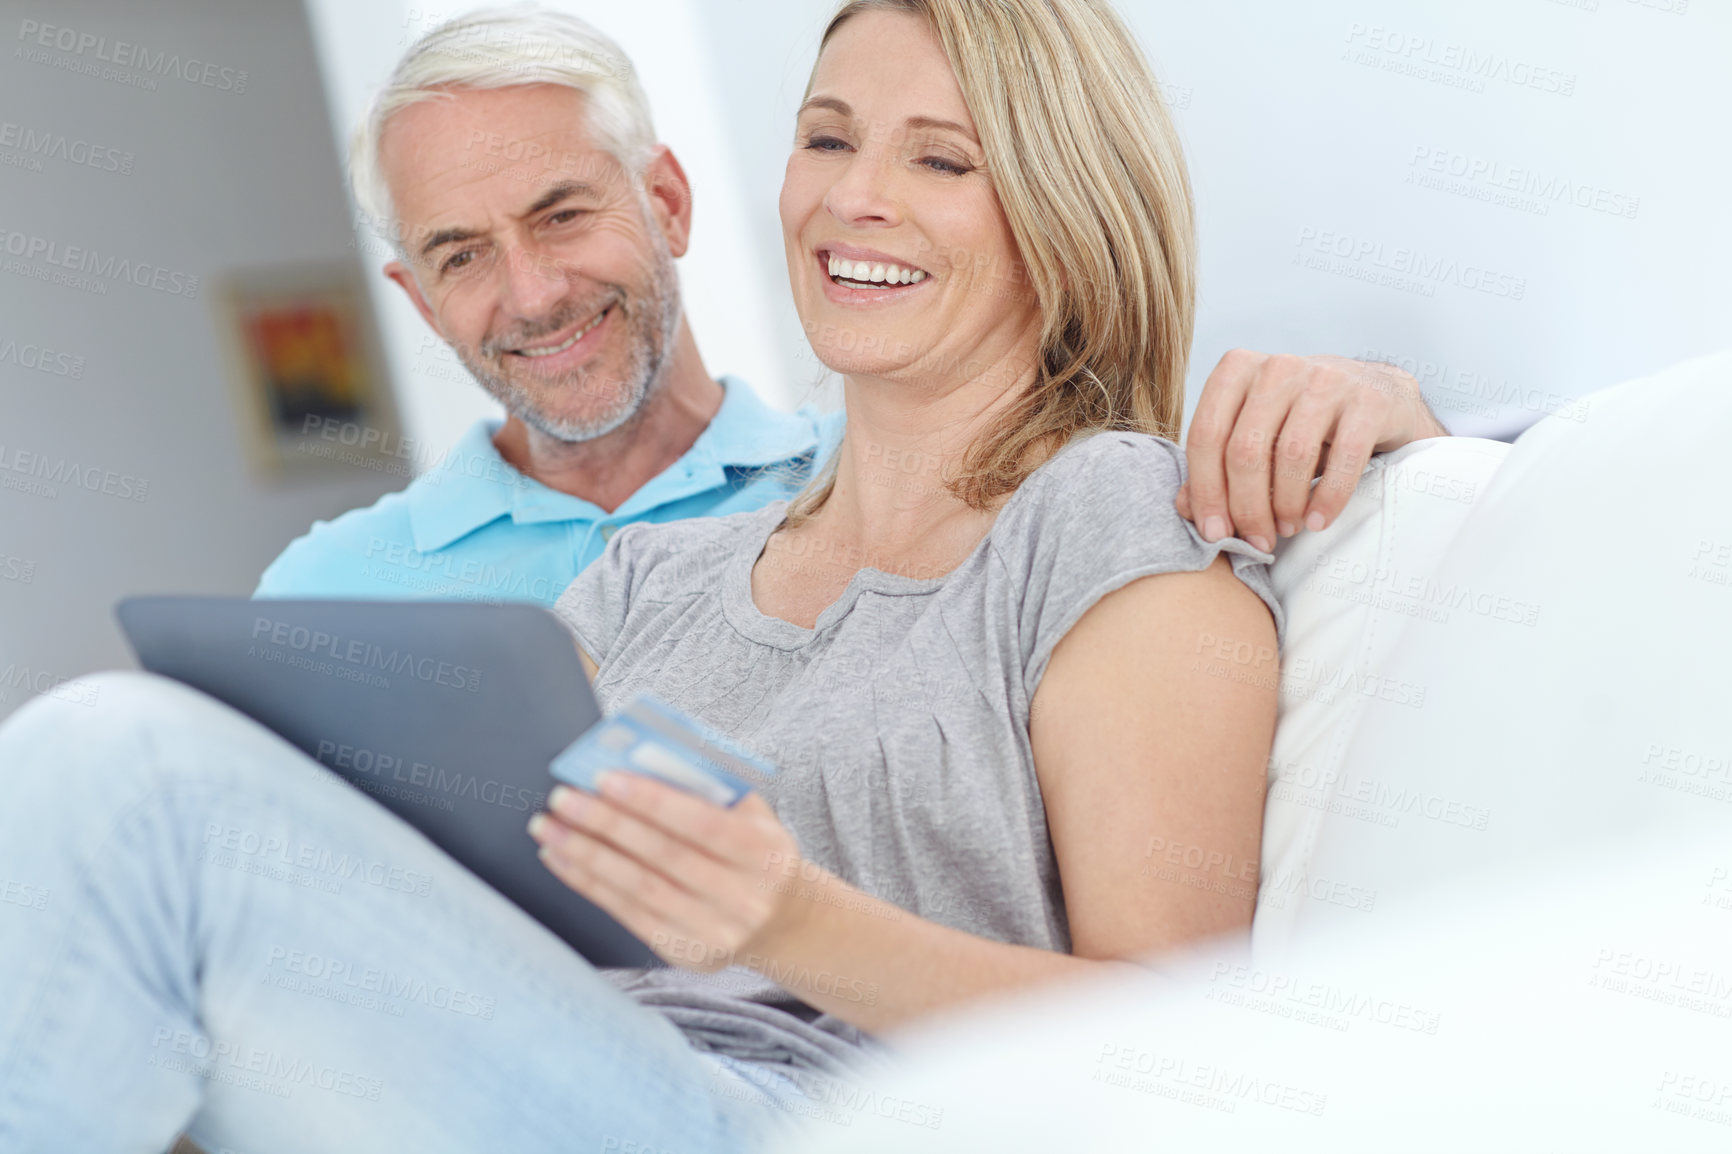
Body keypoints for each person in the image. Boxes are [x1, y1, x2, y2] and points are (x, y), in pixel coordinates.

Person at [0, 4, 1422, 1153]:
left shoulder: (1112, 512)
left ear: (1057, 206)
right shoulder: (646, 578)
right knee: (126, 782)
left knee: (117, 761)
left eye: (940, 158)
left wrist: (793, 921)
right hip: (579, 1061)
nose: (855, 198)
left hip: (806, 1113)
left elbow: (1187, 1054)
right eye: (827, 137)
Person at [252, 7, 1446, 607]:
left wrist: (1384, 398)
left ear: (666, 202)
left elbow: (1157, 475)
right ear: (415, 296)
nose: (532, 292)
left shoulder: (901, 489)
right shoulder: (329, 596)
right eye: (461, 256)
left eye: (564, 215)